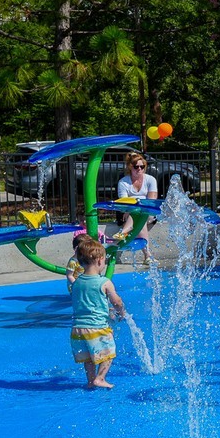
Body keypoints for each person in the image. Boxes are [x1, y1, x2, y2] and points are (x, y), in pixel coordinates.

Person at [69, 239, 125, 390]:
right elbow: (117, 302)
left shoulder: (76, 283)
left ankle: (90, 380)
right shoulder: (105, 282)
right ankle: (100, 378)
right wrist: (121, 312)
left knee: (88, 357)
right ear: (100, 260)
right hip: (97, 328)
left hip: (77, 329)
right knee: (109, 352)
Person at [115, 151, 159, 262]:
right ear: (130, 167)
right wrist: (133, 206)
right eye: (136, 167)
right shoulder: (123, 182)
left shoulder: (150, 180)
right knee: (138, 215)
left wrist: (136, 204)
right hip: (129, 212)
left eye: (142, 166)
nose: (139, 169)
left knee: (140, 211)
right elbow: (124, 203)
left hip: (148, 213)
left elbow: (151, 201)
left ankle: (125, 231)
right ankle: (147, 255)